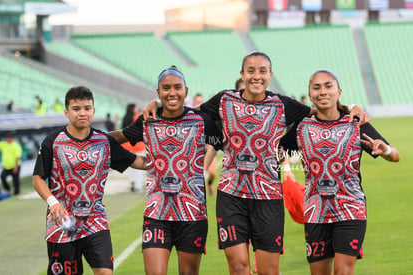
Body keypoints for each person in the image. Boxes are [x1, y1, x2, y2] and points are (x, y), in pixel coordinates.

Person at [142, 52, 367, 275]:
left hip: (268, 199)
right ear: (242, 74)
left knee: (268, 271)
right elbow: (185, 113)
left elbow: (322, 110)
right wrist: (156, 103)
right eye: (250, 71)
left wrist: (352, 107)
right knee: (238, 265)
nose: (256, 76)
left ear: (270, 75)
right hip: (231, 196)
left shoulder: (282, 104)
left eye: (262, 71)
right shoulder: (224, 100)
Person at [109, 65, 222, 275]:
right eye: (166, 88)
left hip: (193, 215)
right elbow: (119, 137)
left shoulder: (202, 121)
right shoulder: (148, 120)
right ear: (158, 93)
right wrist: (88, 140)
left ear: (186, 91)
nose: (172, 92)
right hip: (156, 213)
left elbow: (233, 138)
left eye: (177, 87)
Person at [290, 70, 399, 275]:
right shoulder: (300, 126)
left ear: (338, 91)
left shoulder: (356, 123)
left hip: (350, 209)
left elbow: (395, 155)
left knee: (343, 272)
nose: (323, 91)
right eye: (317, 87)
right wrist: (285, 167)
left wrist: (384, 149)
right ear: (310, 95)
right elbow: (274, 144)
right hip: (315, 212)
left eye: (328, 86)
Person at [32, 86, 147, 275]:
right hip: (62, 224)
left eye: (87, 108)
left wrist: (165, 160)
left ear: (93, 110)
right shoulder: (52, 141)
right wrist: (52, 203)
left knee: (105, 272)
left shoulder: (104, 141)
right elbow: (38, 178)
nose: (82, 113)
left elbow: (136, 162)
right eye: (76, 109)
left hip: (95, 220)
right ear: (66, 112)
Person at [121, 103, 145, 193]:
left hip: (128, 147)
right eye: (135, 107)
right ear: (132, 109)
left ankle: (132, 182)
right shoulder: (137, 118)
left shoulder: (125, 119)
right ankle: (138, 187)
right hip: (138, 146)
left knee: (132, 166)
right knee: (140, 167)